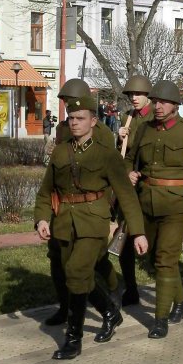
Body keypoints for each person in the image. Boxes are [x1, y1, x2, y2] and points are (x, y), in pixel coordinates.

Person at [34, 95, 148, 360]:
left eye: (80, 118)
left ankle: (73, 339)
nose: (74, 123)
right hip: (64, 222)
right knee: (75, 275)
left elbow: (126, 195)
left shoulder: (106, 155)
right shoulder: (61, 151)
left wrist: (139, 231)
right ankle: (110, 311)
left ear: (93, 121)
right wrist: (41, 219)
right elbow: (45, 191)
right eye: (71, 118)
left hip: (94, 222)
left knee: (76, 271)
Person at [125, 80, 183, 339]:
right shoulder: (143, 130)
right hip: (147, 203)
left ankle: (160, 319)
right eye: (155, 102)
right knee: (155, 260)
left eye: (163, 102)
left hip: (178, 206)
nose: (158, 106)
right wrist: (129, 173)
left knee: (166, 260)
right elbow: (130, 160)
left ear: (176, 105)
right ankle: (182, 301)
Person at [43, 78, 118, 328]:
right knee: (59, 261)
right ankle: (65, 308)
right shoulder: (65, 128)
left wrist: (102, 211)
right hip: (63, 207)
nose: (67, 109)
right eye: (64, 103)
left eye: (69, 102)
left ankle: (111, 297)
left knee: (89, 264)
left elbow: (104, 173)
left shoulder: (103, 134)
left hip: (92, 209)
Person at [116, 75, 154, 306]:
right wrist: (118, 137)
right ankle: (131, 288)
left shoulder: (155, 117)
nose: (134, 98)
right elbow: (120, 155)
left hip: (149, 184)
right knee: (125, 237)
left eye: (138, 94)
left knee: (154, 239)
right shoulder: (127, 118)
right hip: (128, 187)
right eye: (131, 95)